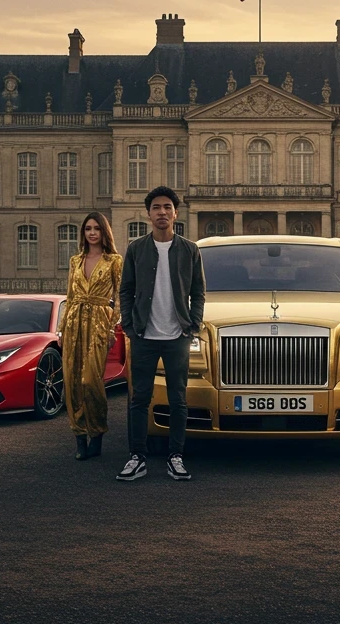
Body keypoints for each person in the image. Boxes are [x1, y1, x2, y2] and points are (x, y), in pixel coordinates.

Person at [116, 186, 206, 481]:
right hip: (143, 335)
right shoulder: (136, 249)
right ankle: (137, 456)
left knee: (178, 399)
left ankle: (176, 456)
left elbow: (199, 293)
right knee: (139, 399)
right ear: (149, 214)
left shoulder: (190, 250)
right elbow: (126, 290)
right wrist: (129, 326)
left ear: (176, 213)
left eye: (167, 207)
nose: (162, 212)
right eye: (157, 207)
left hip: (176, 336)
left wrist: (192, 325)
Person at [60, 212, 122, 461]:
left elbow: (119, 297)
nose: (92, 233)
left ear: (104, 232)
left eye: (97, 228)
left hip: (98, 320)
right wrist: (63, 330)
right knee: (72, 381)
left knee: (89, 380)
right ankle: (79, 437)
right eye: (88, 229)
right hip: (74, 320)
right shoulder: (76, 261)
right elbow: (70, 296)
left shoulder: (114, 261)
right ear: (83, 233)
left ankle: (96, 432)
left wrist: (110, 328)